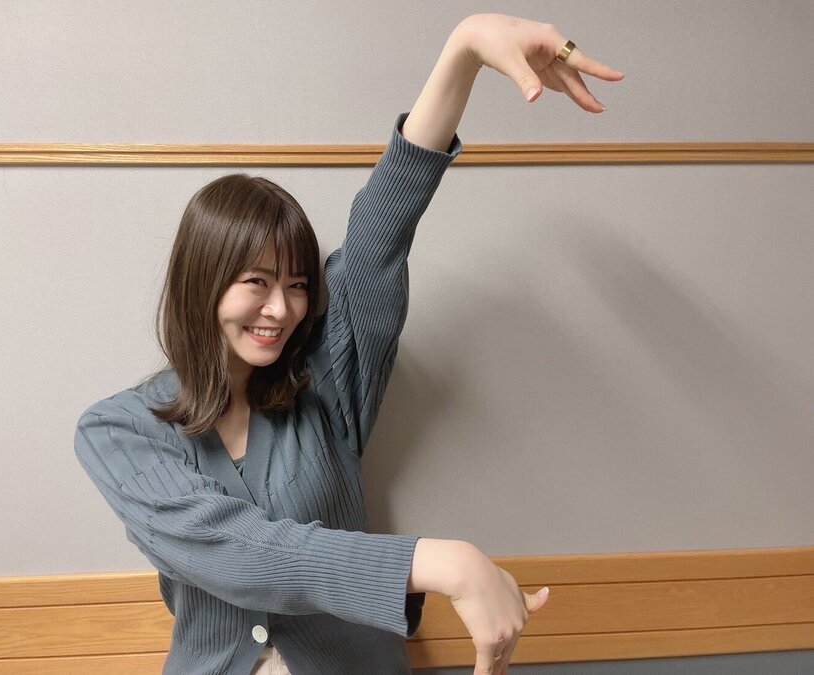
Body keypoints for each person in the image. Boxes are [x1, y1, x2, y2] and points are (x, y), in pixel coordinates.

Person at [73, 13, 623, 675]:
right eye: (257, 283)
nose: (281, 309)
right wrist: (439, 562)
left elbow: (383, 225)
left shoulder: (325, 379)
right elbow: (239, 552)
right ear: (203, 282)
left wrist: (466, 46)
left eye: (298, 285)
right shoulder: (118, 430)